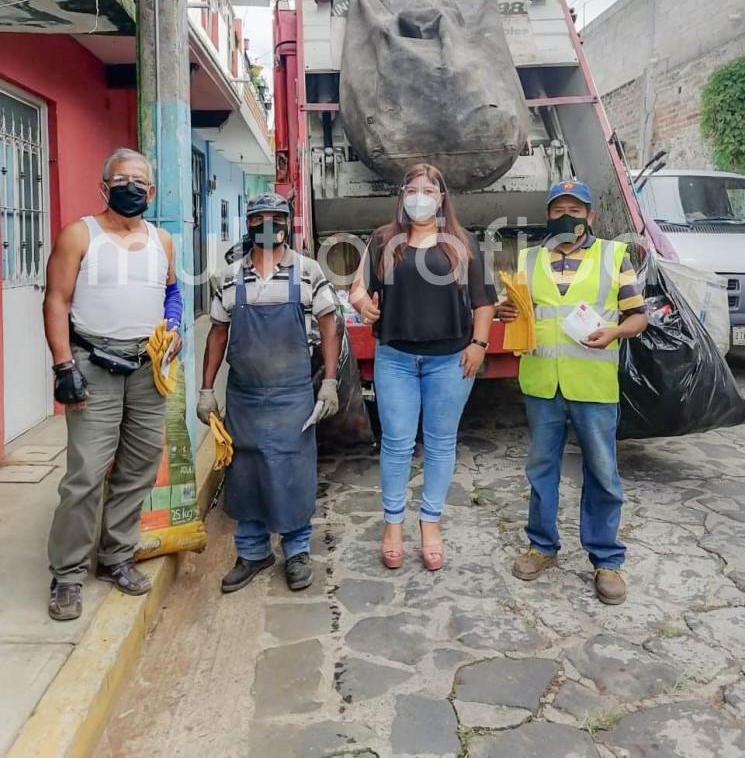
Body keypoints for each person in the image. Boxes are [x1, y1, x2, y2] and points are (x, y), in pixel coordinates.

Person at [44, 149, 182, 621]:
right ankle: (66, 574)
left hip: (147, 368)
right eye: (121, 180)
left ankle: (115, 555)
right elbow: (57, 300)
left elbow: (171, 292)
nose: (132, 187)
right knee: (85, 473)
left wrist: (176, 323)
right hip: (92, 365)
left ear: (152, 191)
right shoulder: (80, 235)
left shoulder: (163, 240)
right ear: (104, 187)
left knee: (140, 466)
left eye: (140, 181)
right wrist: (64, 365)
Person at [497, 180, 648, 606]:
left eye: (576, 210)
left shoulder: (614, 256)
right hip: (543, 382)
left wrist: (616, 330)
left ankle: (606, 559)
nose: (567, 216)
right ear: (548, 215)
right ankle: (541, 547)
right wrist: (505, 310)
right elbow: (516, 312)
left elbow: (639, 317)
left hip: (593, 384)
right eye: (559, 209)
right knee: (541, 468)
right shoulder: (528, 259)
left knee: (602, 471)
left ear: (590, 216)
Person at [351, 163, 496, 572]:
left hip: (450, 360)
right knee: (396, 443)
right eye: (412, 188)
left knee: (440, 443)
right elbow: (357, 288)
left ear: (442, 197)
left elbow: (484, 302)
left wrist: (479, 346)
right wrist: (363, 305)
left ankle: (430, 522)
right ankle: (393, 525)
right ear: (401, 195)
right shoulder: (383, 240)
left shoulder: (462, 243)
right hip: (394, 357)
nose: (420, 195)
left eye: (428, 189)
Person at [198, 193, 340, 594]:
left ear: (286, 223)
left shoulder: (308, 272)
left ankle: (296, 553)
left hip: (292, 394)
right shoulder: (230, 276)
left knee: (292, 473)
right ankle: (253, 552)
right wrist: (207, 389)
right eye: (258, 218)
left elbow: (330, 325)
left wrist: (328, 381)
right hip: (244, 396)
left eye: (274, 218)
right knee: (246, 474)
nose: (266, 225)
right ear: (248, 224)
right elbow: (218, 333)